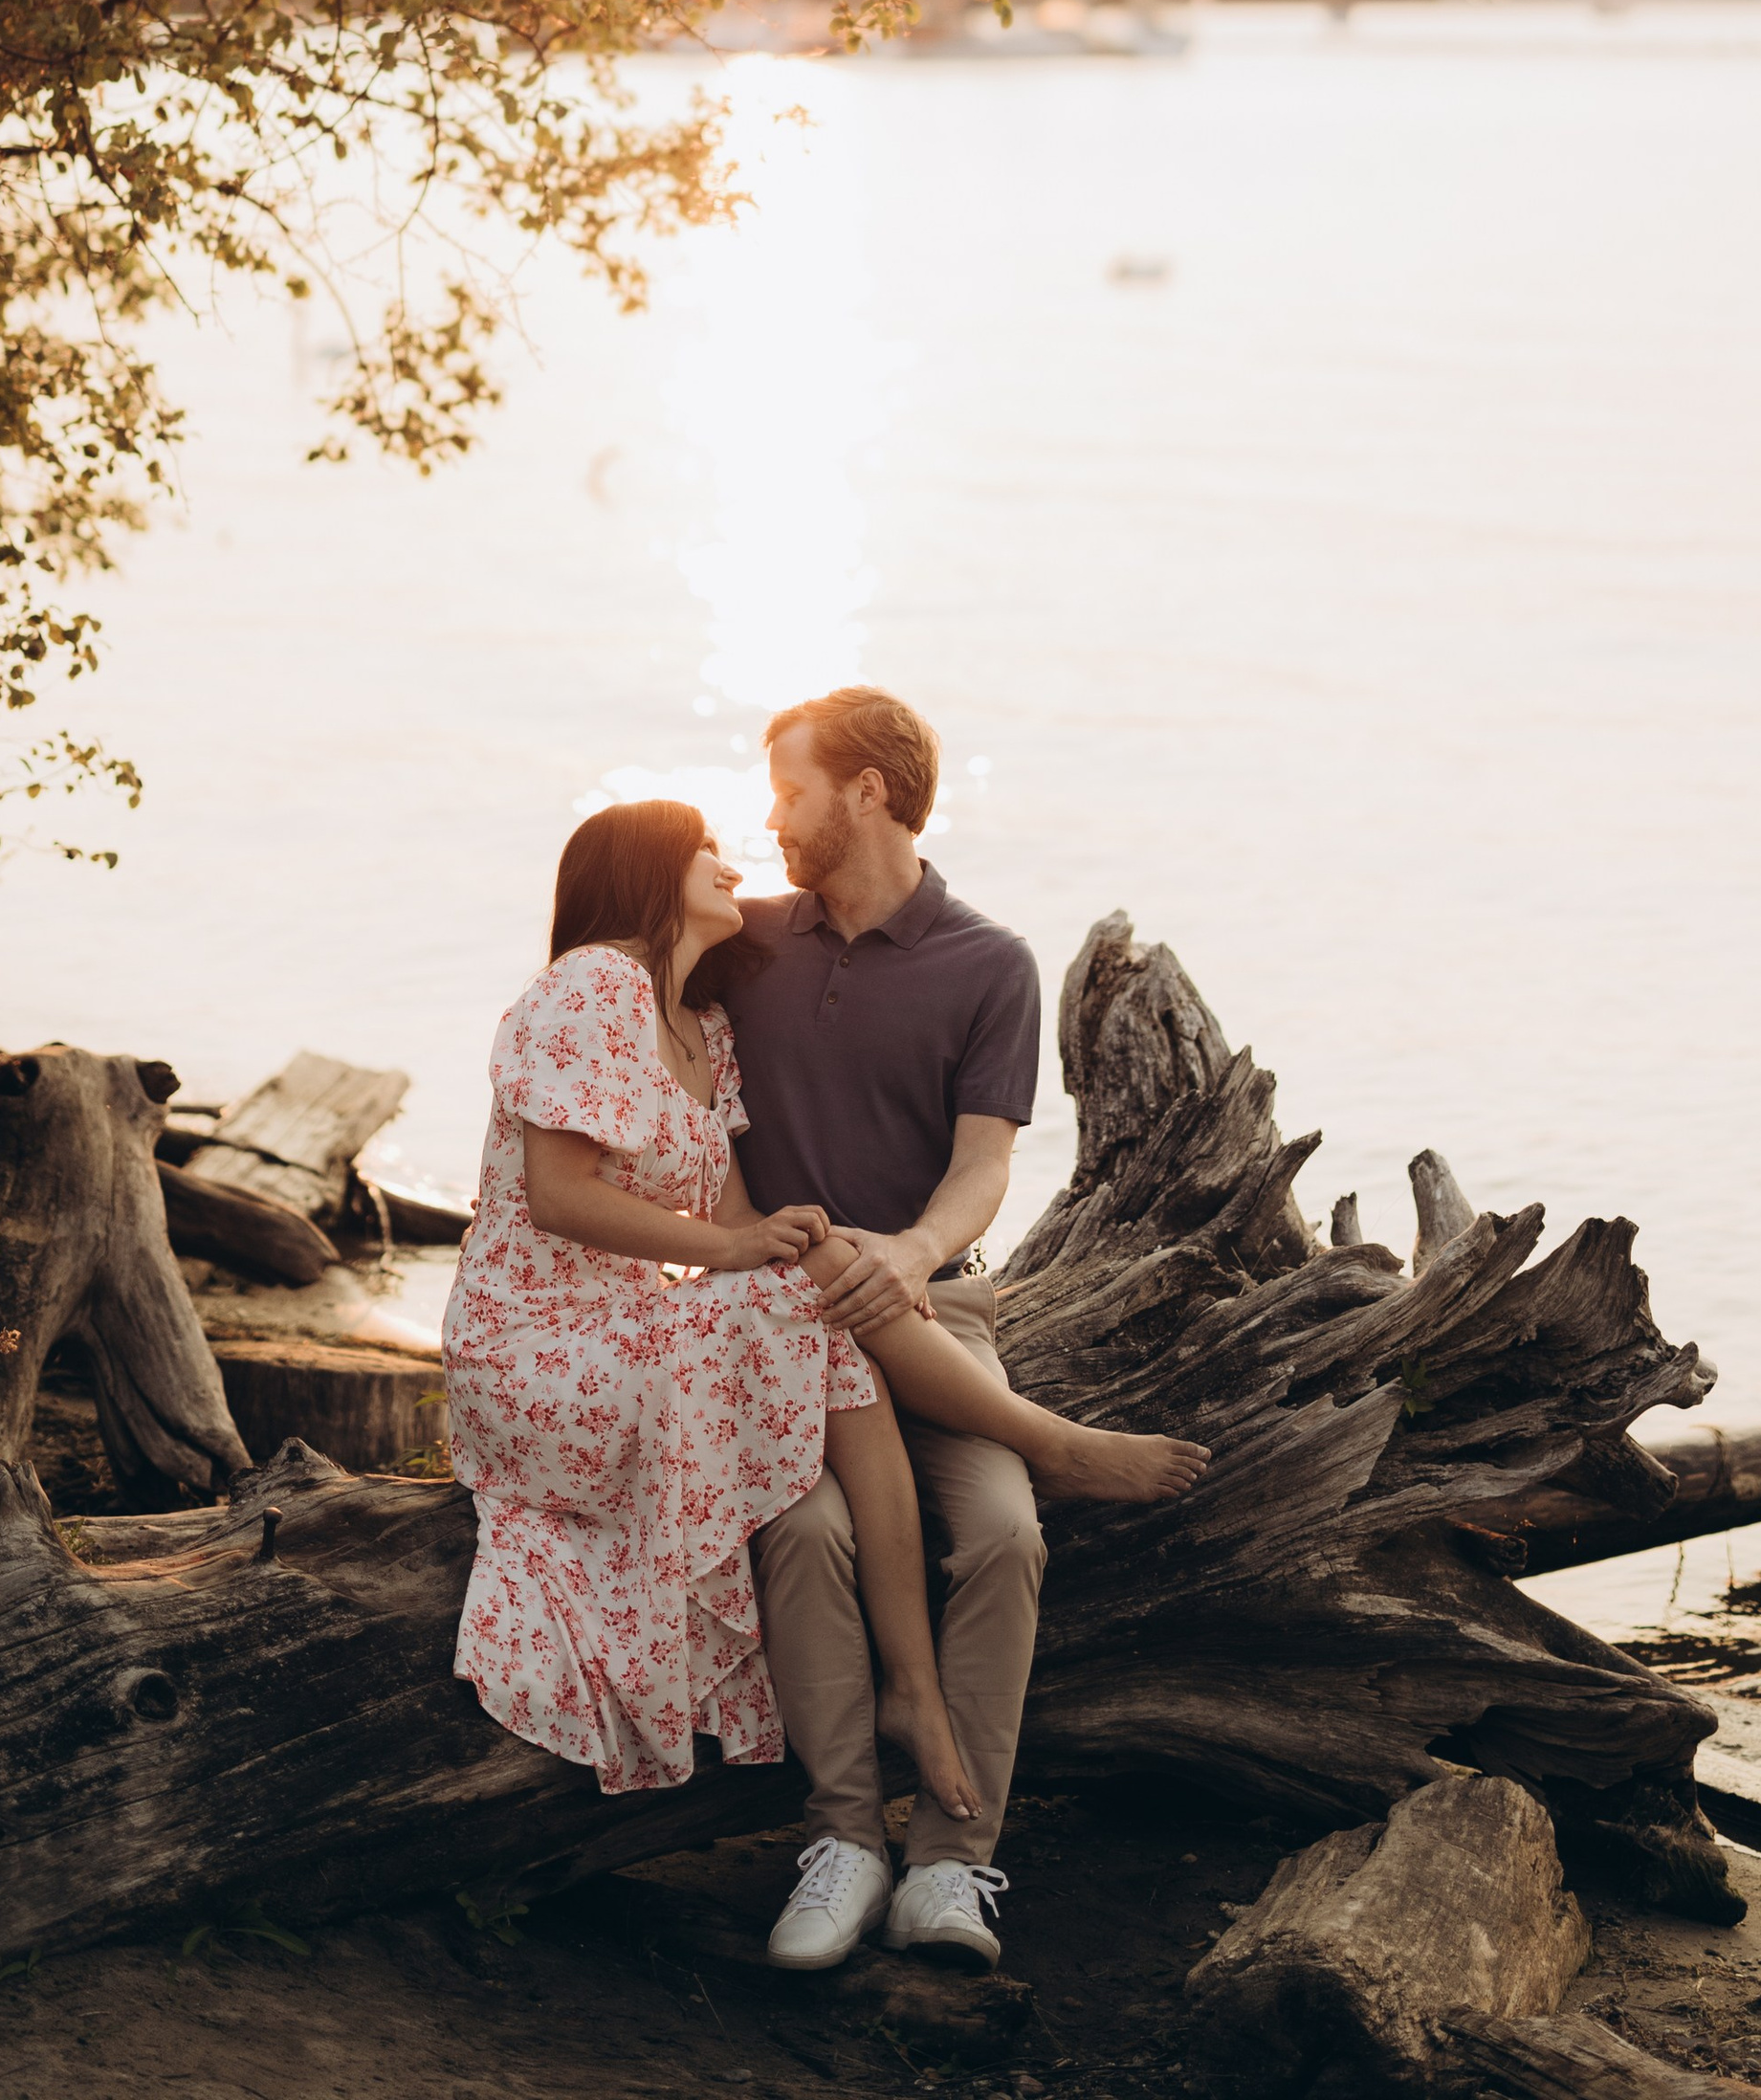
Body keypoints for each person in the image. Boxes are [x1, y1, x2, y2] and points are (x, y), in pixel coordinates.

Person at [444, 796, 1203, 1845]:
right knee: (810, 1287)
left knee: (817, 1269)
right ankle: (1040, 1453)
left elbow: (733, 1220)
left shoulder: (705, 1029)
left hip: (634, 1338)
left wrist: (806, 1243)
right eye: (705, 850)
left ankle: (915, 1698)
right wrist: (758, 1254)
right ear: (647, 872)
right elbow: (559, 1199)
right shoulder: (591, 985)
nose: (733, 863)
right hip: (532, 1354)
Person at [725, 687, 1206, 1983]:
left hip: (934, 1316)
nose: (773, 818)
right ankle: (842, 1841)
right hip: (780, 1332)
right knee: (805, 1531)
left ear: (867, 791)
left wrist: (911, 1252)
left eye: (791, 790)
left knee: (1003, 1532)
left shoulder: (990, 963)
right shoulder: (744, 944)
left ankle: (948, 1858)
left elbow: (984, 1167)